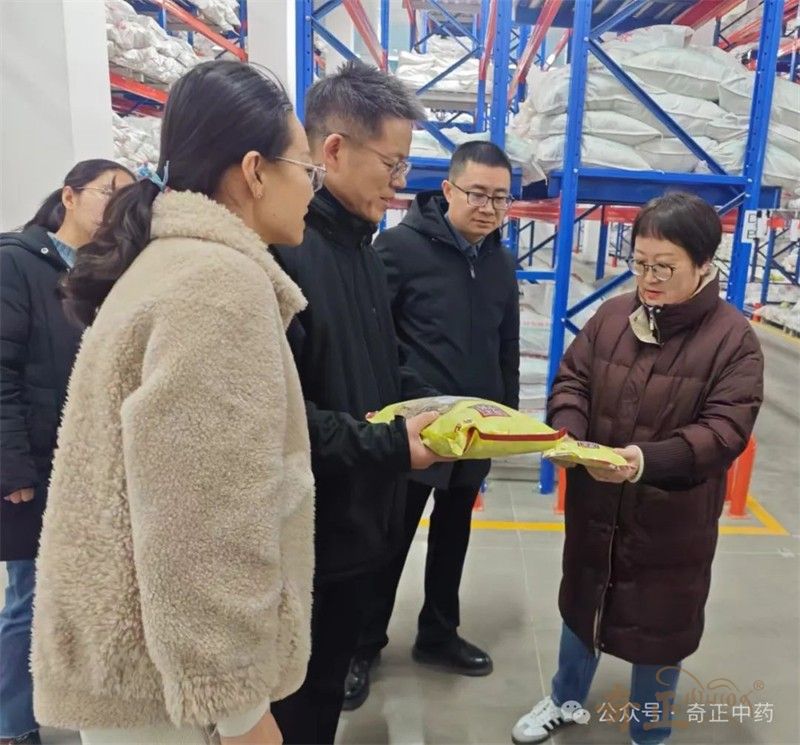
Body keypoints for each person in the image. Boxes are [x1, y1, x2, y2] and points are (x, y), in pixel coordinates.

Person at [29, 60, 321, 745]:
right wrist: (239, 707)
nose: (313, 186)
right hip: (175, 699)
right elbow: (201, 512)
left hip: (143, 666)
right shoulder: (218, 284)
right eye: (305, 167)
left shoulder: (171, 264)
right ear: (254, 171)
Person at [511, 192, 764, 745]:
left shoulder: (733, 341)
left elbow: (725, 430)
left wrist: (647, 461)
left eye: (664, 267)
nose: (648, 278)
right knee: (583, 605)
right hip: (598, 509)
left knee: (659, 628)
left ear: (704, 264)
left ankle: (649, 732)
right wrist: (570, 432)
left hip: (670, 521)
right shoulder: (612, 317)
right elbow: (573, 380)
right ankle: (565, 700)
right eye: (640, 263)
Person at [269, 60, 446, 745]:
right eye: (391, 163)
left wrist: (427, 407)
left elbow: (371, 372)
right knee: (297, 704)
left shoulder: (364, 251)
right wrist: (392, 444)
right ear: (335, 150)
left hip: (362, 524)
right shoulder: (287, 254)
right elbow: (281, 421)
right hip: (308, 541)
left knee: (323, 697)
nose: (399, 181)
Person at [344, 141, 521, 708]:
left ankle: (438, 633)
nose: (488, 208)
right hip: (414, 429)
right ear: (448, 190)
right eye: (478, 194)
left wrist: (506, 417)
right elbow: (373, 339)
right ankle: (361, 647)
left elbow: (507, 346)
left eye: (500, 198)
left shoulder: (500, 263)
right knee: (389, 538)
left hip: (475, 431)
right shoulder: (398, 250)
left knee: (454, 534)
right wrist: (395, 414)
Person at [0, 159, 134, 745]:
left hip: (91, 463)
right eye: (109, 193)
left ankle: (81, 708)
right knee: (31, 597)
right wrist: (12, 469)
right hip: (36, 461)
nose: (118, 207)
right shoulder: (17, 262)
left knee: (86, 594)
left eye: (129, 198)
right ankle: (12, 724)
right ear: (70, 196)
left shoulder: (108, 273)